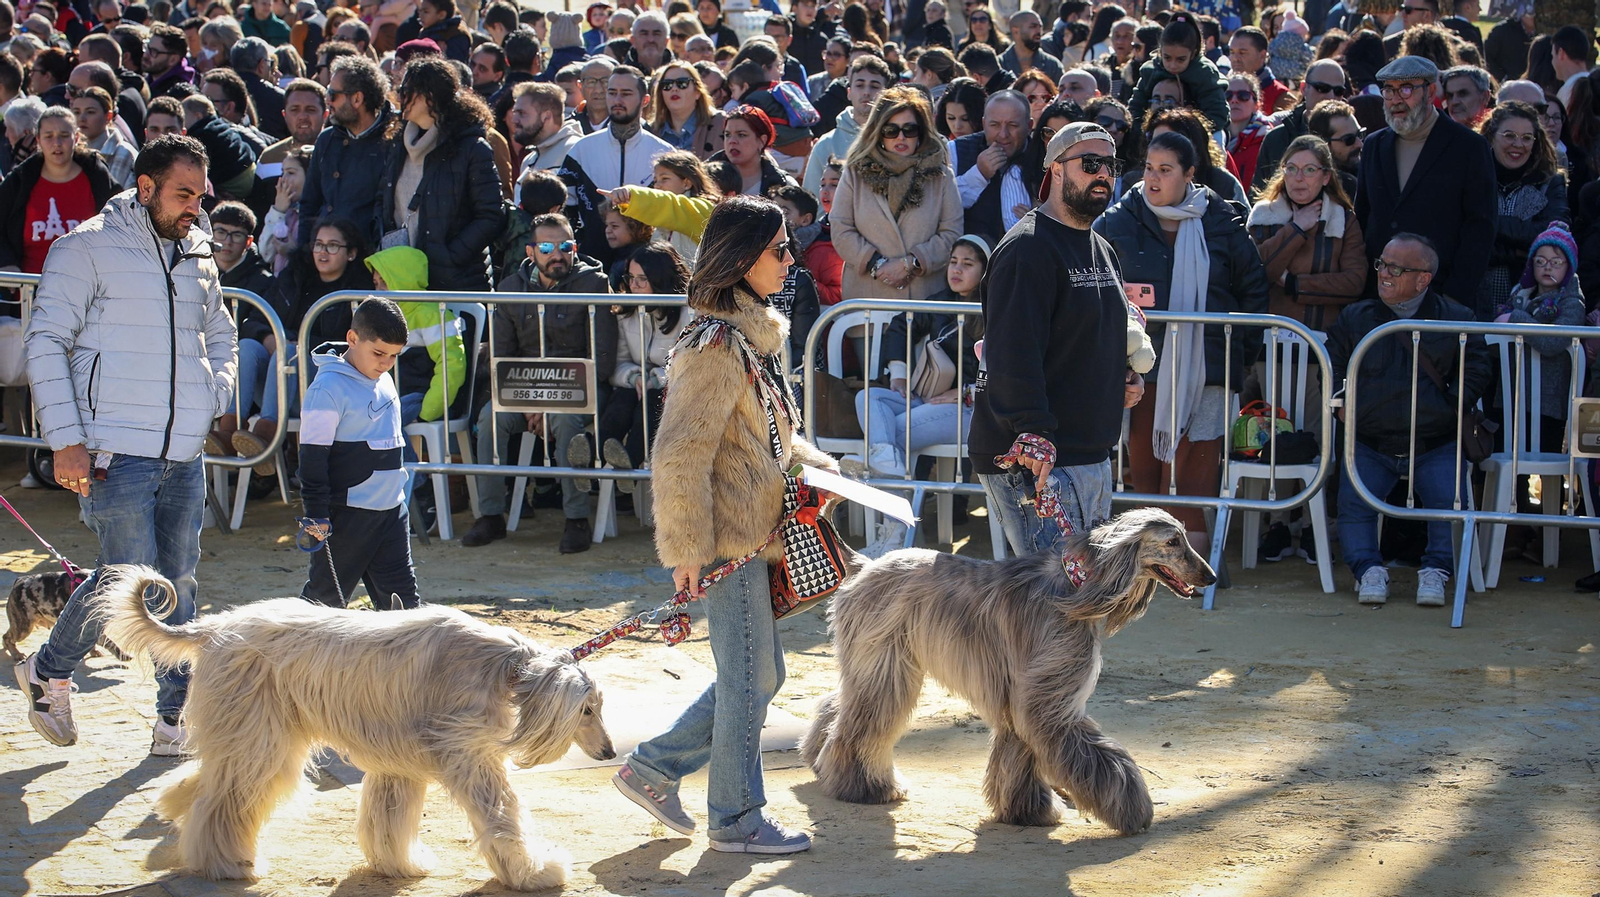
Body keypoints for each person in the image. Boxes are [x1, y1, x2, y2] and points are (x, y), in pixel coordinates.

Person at [615, 195, 835, 855]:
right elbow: (680, 452)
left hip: (755, 532)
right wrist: (685, 549)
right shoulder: (716, 342)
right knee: (749, 675)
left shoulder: (747, 333)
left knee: (760, 674)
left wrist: (819, 470)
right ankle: (735, 815)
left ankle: (654, 767)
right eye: (779, 250)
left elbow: (772, 434)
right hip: (727, 540)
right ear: (741, 258)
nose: (790, 259)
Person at [17, 135, 234, 756]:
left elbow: (219, 333)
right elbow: (46, 343)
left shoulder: (197, 251)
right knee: (124, 579)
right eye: (183, 193)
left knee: (180, 583)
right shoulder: (83, 248)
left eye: (201, 193)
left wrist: (210, 395)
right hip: (113, 449)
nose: (196, 206)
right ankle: (50, 671)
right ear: (145, 187)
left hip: (182, 451)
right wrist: (65, 441)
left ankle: (172, 720)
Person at [970, 121, 1140, 551]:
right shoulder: (1027, 249)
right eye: (1090, 163)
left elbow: (1099, 335)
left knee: (1077, 604)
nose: (1104, 173)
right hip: (1036, 455)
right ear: (1057, 171)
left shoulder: (1101, 246)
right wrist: (1033, 432)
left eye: (1111, 164)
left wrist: (1124, 376)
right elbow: (1012, 353)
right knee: (1052, 605)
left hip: (1088, 450)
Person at [1095, 131, 1270, 551]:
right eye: (1149, 168)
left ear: (1190, 174)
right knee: (1145, 467)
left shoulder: (1222, 222)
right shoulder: (1117, 220)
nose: (1153, 179)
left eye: (1166, 170)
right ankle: (1146, 560)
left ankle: (1193, 560)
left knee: (1196, 471)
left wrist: (1236, 360)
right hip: (1141, 368)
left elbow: (1253, 293)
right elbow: (1094, 288)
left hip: (1207, 369)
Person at [1327, 233, 1492, 606]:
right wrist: (1339, 399)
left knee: (1448, 505)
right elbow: (1333, 360)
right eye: (1382, 264)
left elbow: (1478, 367)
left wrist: (1449, 404)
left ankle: (1437, 571)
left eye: (1396, 268)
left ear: (1423, 278)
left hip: (1436, 440)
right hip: (1369, 439)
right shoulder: (1356, 317)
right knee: (1354, 504)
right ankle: (1368, 569)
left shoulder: (1458, 318)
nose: (1384, 273)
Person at [461, 214, 617, 552]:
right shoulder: (509, 289)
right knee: (490, 418)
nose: (557, 254)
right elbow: (501, 358)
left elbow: (602, 362)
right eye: (547, 247)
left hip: (582, 394)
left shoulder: (595, 284)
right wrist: (534, 402)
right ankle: (490, 516)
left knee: (565, 420)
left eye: (566, 246)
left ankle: (576, 519)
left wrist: (552, 402)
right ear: (531, 251)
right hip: (523, 393)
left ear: (575, 248)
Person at [295, 297, 419, 609]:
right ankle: (283, 657)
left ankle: (403, 660)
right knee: (323, 606)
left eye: (394, 355)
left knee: (404, 607)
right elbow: (312, 457)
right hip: (346, 517)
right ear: (353, 339)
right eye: (378, 352)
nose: (386, 363)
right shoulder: (326, 389)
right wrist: (316, 513)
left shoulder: (385, 379)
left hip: (391, 511)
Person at [1357, 55, 1495, 317]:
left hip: (1441, 298)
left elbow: (1480, 227)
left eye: (1406, 89)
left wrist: (1454, 297)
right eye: (1389, 90)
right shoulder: (1374, 145)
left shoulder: (1469, 147)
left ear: (1431, 91)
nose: (1396, 99)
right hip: (1380, 297)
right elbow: (1363, 216)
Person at [232, 218, 371, 469]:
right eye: (318, 244)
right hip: (278, 384)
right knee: (248, 347)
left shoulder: (358, 292)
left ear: (351, 253)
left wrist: (299, 344)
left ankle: (267, 436)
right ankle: (228, 429)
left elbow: (352, 347)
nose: (323, 252)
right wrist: (269, 338)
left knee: (289, 351)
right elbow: (253, 321)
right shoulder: (294, 276)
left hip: (326, 389)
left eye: (332, 246)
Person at [853, 232, 986, 486]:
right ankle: (896, 503)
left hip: (973, 409)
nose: (956, 269)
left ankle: (896, 524)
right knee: (868, 397)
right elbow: (901, 324)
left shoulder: (994, 309)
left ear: (985, 271)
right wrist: (899, 375)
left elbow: (1007, 372)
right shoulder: (942, 302)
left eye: (967, 264)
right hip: (930, 398)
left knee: (892, 435)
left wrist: (967, 392)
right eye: (953, 261)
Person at [376, 57, 503, 292]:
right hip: (403, 276)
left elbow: (491, 215)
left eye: (407, 90)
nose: (400, 96)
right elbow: (384, 201)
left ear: (430, 95)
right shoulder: (396, 143)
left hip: (454, 282)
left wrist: (449, 256)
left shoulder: (471, 147)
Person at [832, 85, 961, 306]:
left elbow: (952, 233)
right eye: (891, 130)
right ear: (879, 132)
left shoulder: (941, 176)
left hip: (924, 303)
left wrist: (911, 263)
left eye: (909, 129)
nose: (900, 137)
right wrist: (876, 264)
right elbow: (841, 228)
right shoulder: (856, 172)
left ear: (921, 132)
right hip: (868, 303)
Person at [1247, 134, 1367, 332]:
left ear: (1326, 177)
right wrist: (1296, 229)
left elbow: (1354, 283)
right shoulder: (1263, 215)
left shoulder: (1343, 219)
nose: (1299, 178)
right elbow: (1253, 273)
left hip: (1321, 344)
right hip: (1267, 344)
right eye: (1291, 169)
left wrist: (1294, 284)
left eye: (1309, 170)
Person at [559, 64, 675, 264]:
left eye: (626, 93)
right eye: (612, 93)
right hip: (591, 266)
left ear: (645, 100)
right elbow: (564, 210)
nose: (618, 100)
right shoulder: (581, 149)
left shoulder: (665, 153)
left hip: (647, 271)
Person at [601, 242, 691, 493]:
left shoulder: (688, 313)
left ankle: (626, 464)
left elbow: (688, 365)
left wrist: (653, 377)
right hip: (636, 387)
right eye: (631, 278)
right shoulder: (625, 312)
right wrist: (634, 377)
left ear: (661, 279)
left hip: (675, 393)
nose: (634, 285)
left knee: (652, 398)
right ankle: (595, 455)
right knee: (623, 398)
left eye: (643, 279)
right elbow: (619, 363)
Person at [0, 107, 116, 277]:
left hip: (87, 289)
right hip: (32, 291)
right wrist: (7, 263)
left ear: (75, 138)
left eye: (64, 135)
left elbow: (120, 225)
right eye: (49, 136)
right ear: (38, 140)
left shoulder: (97, 177)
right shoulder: (20, 180)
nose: (57, 143)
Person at [299, 54, 396, 250]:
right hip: (325, 258)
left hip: (367, 260)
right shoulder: (326, 140)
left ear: (357, 99)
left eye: (333, 94)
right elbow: (309, 203)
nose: (328, 101)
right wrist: (305, 254)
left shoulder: (394, 141)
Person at [206, 201, 277, 457]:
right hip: (199, 366)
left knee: (245, 348)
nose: (227, 241)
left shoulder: (263, 281)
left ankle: (231, 432)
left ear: (248, 242)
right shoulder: (192, 270)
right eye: (220, 232)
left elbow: (257, 327)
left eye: (236, 235)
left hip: (239, 372)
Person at [1251, 58, 1348, 194]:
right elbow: (1259, 195)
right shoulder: (1276, 138)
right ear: (1304, 88)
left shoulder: (1350, 139)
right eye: (1322, 88)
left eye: (1338, 91)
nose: (1331, 96)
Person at [950, 89, 1036, 241]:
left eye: (1013, 125)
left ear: (1029, 126)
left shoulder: (1044, 157)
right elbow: (944, 208)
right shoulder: (956, 150)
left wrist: (1040, 222)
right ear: (984, 123)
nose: (1003, 134)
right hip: (972, 259)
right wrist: (978, 174)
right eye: (994, 125)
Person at [1126, 13, 1227, 136]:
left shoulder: (1205, 73)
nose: (1172, 65)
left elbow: (1217, 114)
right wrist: (1143, 133)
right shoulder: (1151, 70)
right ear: (1160, 51)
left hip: (1199, 134)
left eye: (1180, 59)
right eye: (1167, 58)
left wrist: (1190, 133)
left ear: (1193, 53)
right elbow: (1136, 106)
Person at [1144, 107, 1247, 209]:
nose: (1159, 149)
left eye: (1169, 143)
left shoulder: (1224, 184)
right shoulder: (1133, 190)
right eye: (1155, 141)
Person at [648, 61, 725, 160]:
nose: (674, 89)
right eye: (667, 85)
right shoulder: (651, 132)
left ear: (697, 92)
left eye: (682, 83)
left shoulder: (721, 123)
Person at [259, 143, 310, 274]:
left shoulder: (319, 212)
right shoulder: (286, 212)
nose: (284, 179)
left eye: (291, 173)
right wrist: (278, 211)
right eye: (283, 172)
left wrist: (294, 252)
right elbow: (266, 253)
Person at [259, 77, 326, 165]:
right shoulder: (269, 158)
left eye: (311, 109)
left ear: (325, 115)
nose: (302, 116)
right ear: (285, 115)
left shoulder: (343, 155)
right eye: (295, 110)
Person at [1307, 98, 1363, 198]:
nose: (1360, 144)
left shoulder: (1370, 173)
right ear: (1324, 146)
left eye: (1360, 134)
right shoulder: (1306, 188)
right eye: (1349, 140)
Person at [1225, 72, 1271, 189]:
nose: (1234, 100)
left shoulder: (1267, 139)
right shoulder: (1214, 139)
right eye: (1227, 95)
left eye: (1243, 95)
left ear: (1257, 104)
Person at [1000, 10, 1063, 84]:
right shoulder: (1000, 64)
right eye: (1033, 26)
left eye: (1040, 27)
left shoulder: (1052, 65)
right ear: (1016, 31)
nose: (1038, 31)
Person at [1442, 65, 1493, 129]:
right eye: (1450, 96)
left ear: (1485, 97)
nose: (1454, 102)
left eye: (1462, 94)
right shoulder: (1443, 132)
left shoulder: (1498, 131)